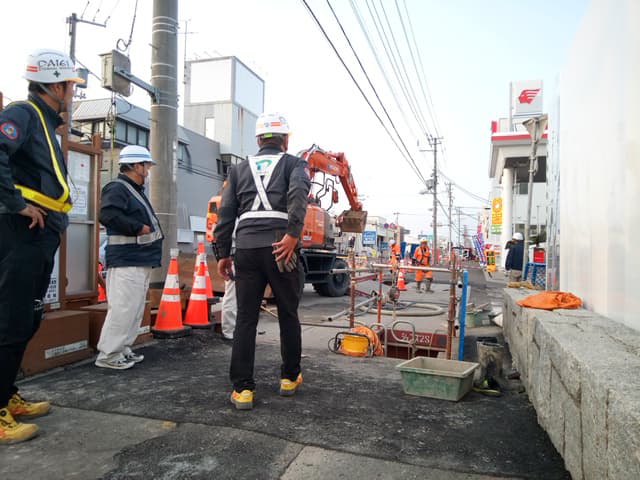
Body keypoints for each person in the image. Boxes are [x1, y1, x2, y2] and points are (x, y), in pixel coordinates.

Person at [0, 49, 85, 444]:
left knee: (28, 317)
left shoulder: (44, 122)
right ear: (55, 86)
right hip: (20, 229)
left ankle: (7, 394)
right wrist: (16, 203)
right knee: (11, 318)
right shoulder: (23, 112)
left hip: (39, 231)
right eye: (71, 86)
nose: (73, 93)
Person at [214, 112, 311, 410]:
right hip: (282, 246)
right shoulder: (294, 164)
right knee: (288, 313)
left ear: (258, 140)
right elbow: (299, 195)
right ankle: (289, 378)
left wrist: (222, 253)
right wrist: (293, 234)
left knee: (245, 318)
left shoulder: (238, 169)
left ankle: (243, 390)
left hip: (246, 247)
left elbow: (225, 212)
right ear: (285, 140)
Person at [95, 145, 163, 370]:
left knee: (133, 309)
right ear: (136, 166)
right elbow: (107, 214)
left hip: (137, 258)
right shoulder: (118, 188)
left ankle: (122, 349)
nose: (148, 170)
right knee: (123, 308)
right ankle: (109, 355)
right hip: (127, 259)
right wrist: (138, 227)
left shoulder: (132, 189)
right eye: (146, 165)